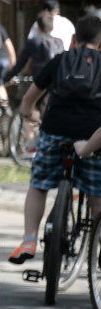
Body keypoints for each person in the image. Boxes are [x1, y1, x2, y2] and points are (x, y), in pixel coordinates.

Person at [8, 15, 101, 263]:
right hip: (92, 137)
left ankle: (29, 240)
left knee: (39, 184)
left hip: (54, 131)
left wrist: (31, 115)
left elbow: (28, 100)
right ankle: (98, 247)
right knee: (96, 194)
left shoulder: (59, 61)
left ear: (73, 40)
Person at [12, 11, 65, 79]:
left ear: (38, 27)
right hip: (58, 79)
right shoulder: (59, 42)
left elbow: (20, 64)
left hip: (41, 82)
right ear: (52, 27)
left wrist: (8, 77)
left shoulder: (34, 41)